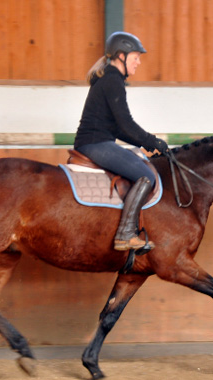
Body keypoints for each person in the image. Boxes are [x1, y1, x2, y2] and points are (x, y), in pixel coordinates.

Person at [74, 31, 168, 252]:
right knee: (146, 175)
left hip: (97, 140)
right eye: (135, 57)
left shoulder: (109, 79)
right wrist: (152, 140)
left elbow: (117, 128)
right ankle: (125, 234)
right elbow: (126, 124)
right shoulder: (112, 81)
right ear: (120, 56)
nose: (139, 62)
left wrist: (148, 143)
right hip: (95, 144)